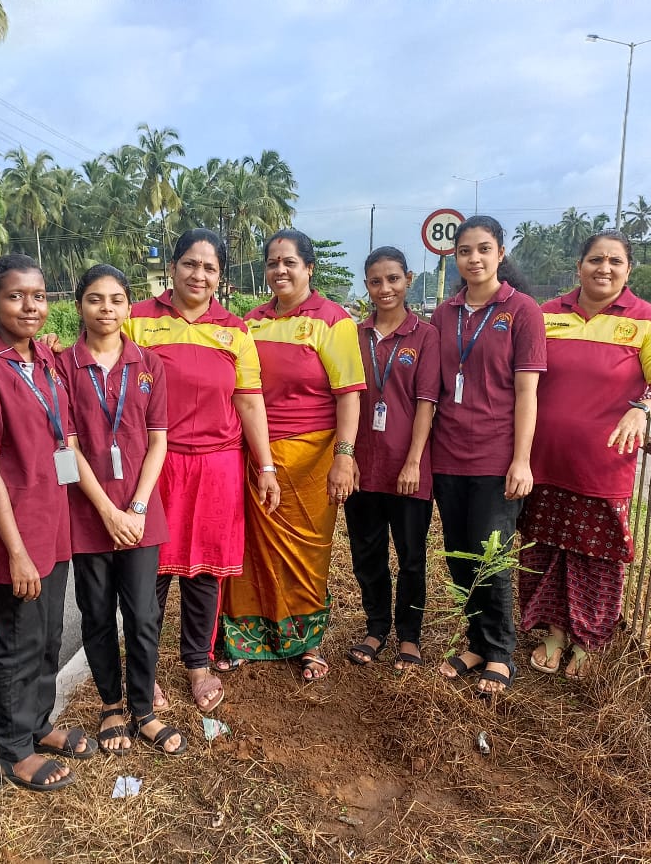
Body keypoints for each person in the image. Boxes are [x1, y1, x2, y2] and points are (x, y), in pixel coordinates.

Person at [0, 254, 96, 794]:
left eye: (38, 295)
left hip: (52, 520)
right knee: (16, 639)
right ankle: (14, 750)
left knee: (47, 634)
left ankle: (39, 724)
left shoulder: (43, 357)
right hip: (16, 531)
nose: (30, 306)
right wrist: (15, 552)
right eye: (16, 296)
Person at [123, 229, 279, 713]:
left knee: (205, 573)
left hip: (218, 467)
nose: (199, 275)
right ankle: (142, 671)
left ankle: (197, 663)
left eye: (210, 268)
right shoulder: (138, 321)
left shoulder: (235, 329)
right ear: (172, 267)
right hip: (156, 464)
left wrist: (266, 466)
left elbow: (249, 402)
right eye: (190, 264)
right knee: (148, 572)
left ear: (220, 277)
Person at [519, 230, 651, 678]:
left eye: (615, 261)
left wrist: (644, 410)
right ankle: (554, 633)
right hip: (544, 463)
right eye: (596, 259)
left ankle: (588, 641)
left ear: (628, 269)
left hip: (603, 467)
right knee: (546, 551)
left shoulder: (648, 321)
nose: (605, 268)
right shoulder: (546, 314)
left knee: (597, 558)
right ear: (580, 266)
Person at [220, 228, 366, 681]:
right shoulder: (251, 320)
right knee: (250, 551)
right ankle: (246, 637)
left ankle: (306, 643)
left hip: (311, 458)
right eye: (272, 262)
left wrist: (344, 455)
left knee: (307, 553)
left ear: (309, 268)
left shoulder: (332, 319)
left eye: (289, 262)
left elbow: (349, 395)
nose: (279, 270)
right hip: (254, 452)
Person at [61, 264, 186, 755]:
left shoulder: (150, 365)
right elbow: (67, 446)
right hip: (87, 512)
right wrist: (107, 511)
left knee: (143, 614)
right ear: (80, 306)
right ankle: (111, 705)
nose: (106, 309)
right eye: (95, 299)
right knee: (95, 613)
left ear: (129, 305)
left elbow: (160, 441)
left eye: (116, 299)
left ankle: (144, 709)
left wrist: (133, 508)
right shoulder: (62, 367)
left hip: (140, 513)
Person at [430, 215, 546, 696]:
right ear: (454, 258)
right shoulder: (445, 313)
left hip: (497, 458)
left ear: (500, 253)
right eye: (464, 251)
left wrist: (522, 460)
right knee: (461, 558)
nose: (473, 259)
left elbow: (527, 392)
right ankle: (476, 641)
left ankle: (500, 653)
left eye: (483, 249)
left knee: (491, 558)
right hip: (448, 455)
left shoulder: (521, 311)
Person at [344, 247, 441, 671]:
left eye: (394, 279)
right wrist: (347, 459)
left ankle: (409, 636)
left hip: (408, 470)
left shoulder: (425, 335)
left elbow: (425, 403)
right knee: (367, 555)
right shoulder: (353, 335)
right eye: (376, 281)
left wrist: (414, 462)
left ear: (408, 279)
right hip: (363, 468)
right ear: (366, 284)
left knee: (411, 557)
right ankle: (376, 626)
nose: (385, 289)